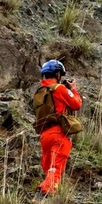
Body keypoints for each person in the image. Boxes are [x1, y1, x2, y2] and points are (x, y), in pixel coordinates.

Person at [34, 60, 82, 195]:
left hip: (44, 136)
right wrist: (72, 89)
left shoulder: (40, 92)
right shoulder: (59, 89)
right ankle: (45, 194)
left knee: (49, 169)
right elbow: (76, 104)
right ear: (57, 73)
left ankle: (41, 195)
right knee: (56, 169)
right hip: (58, 134)